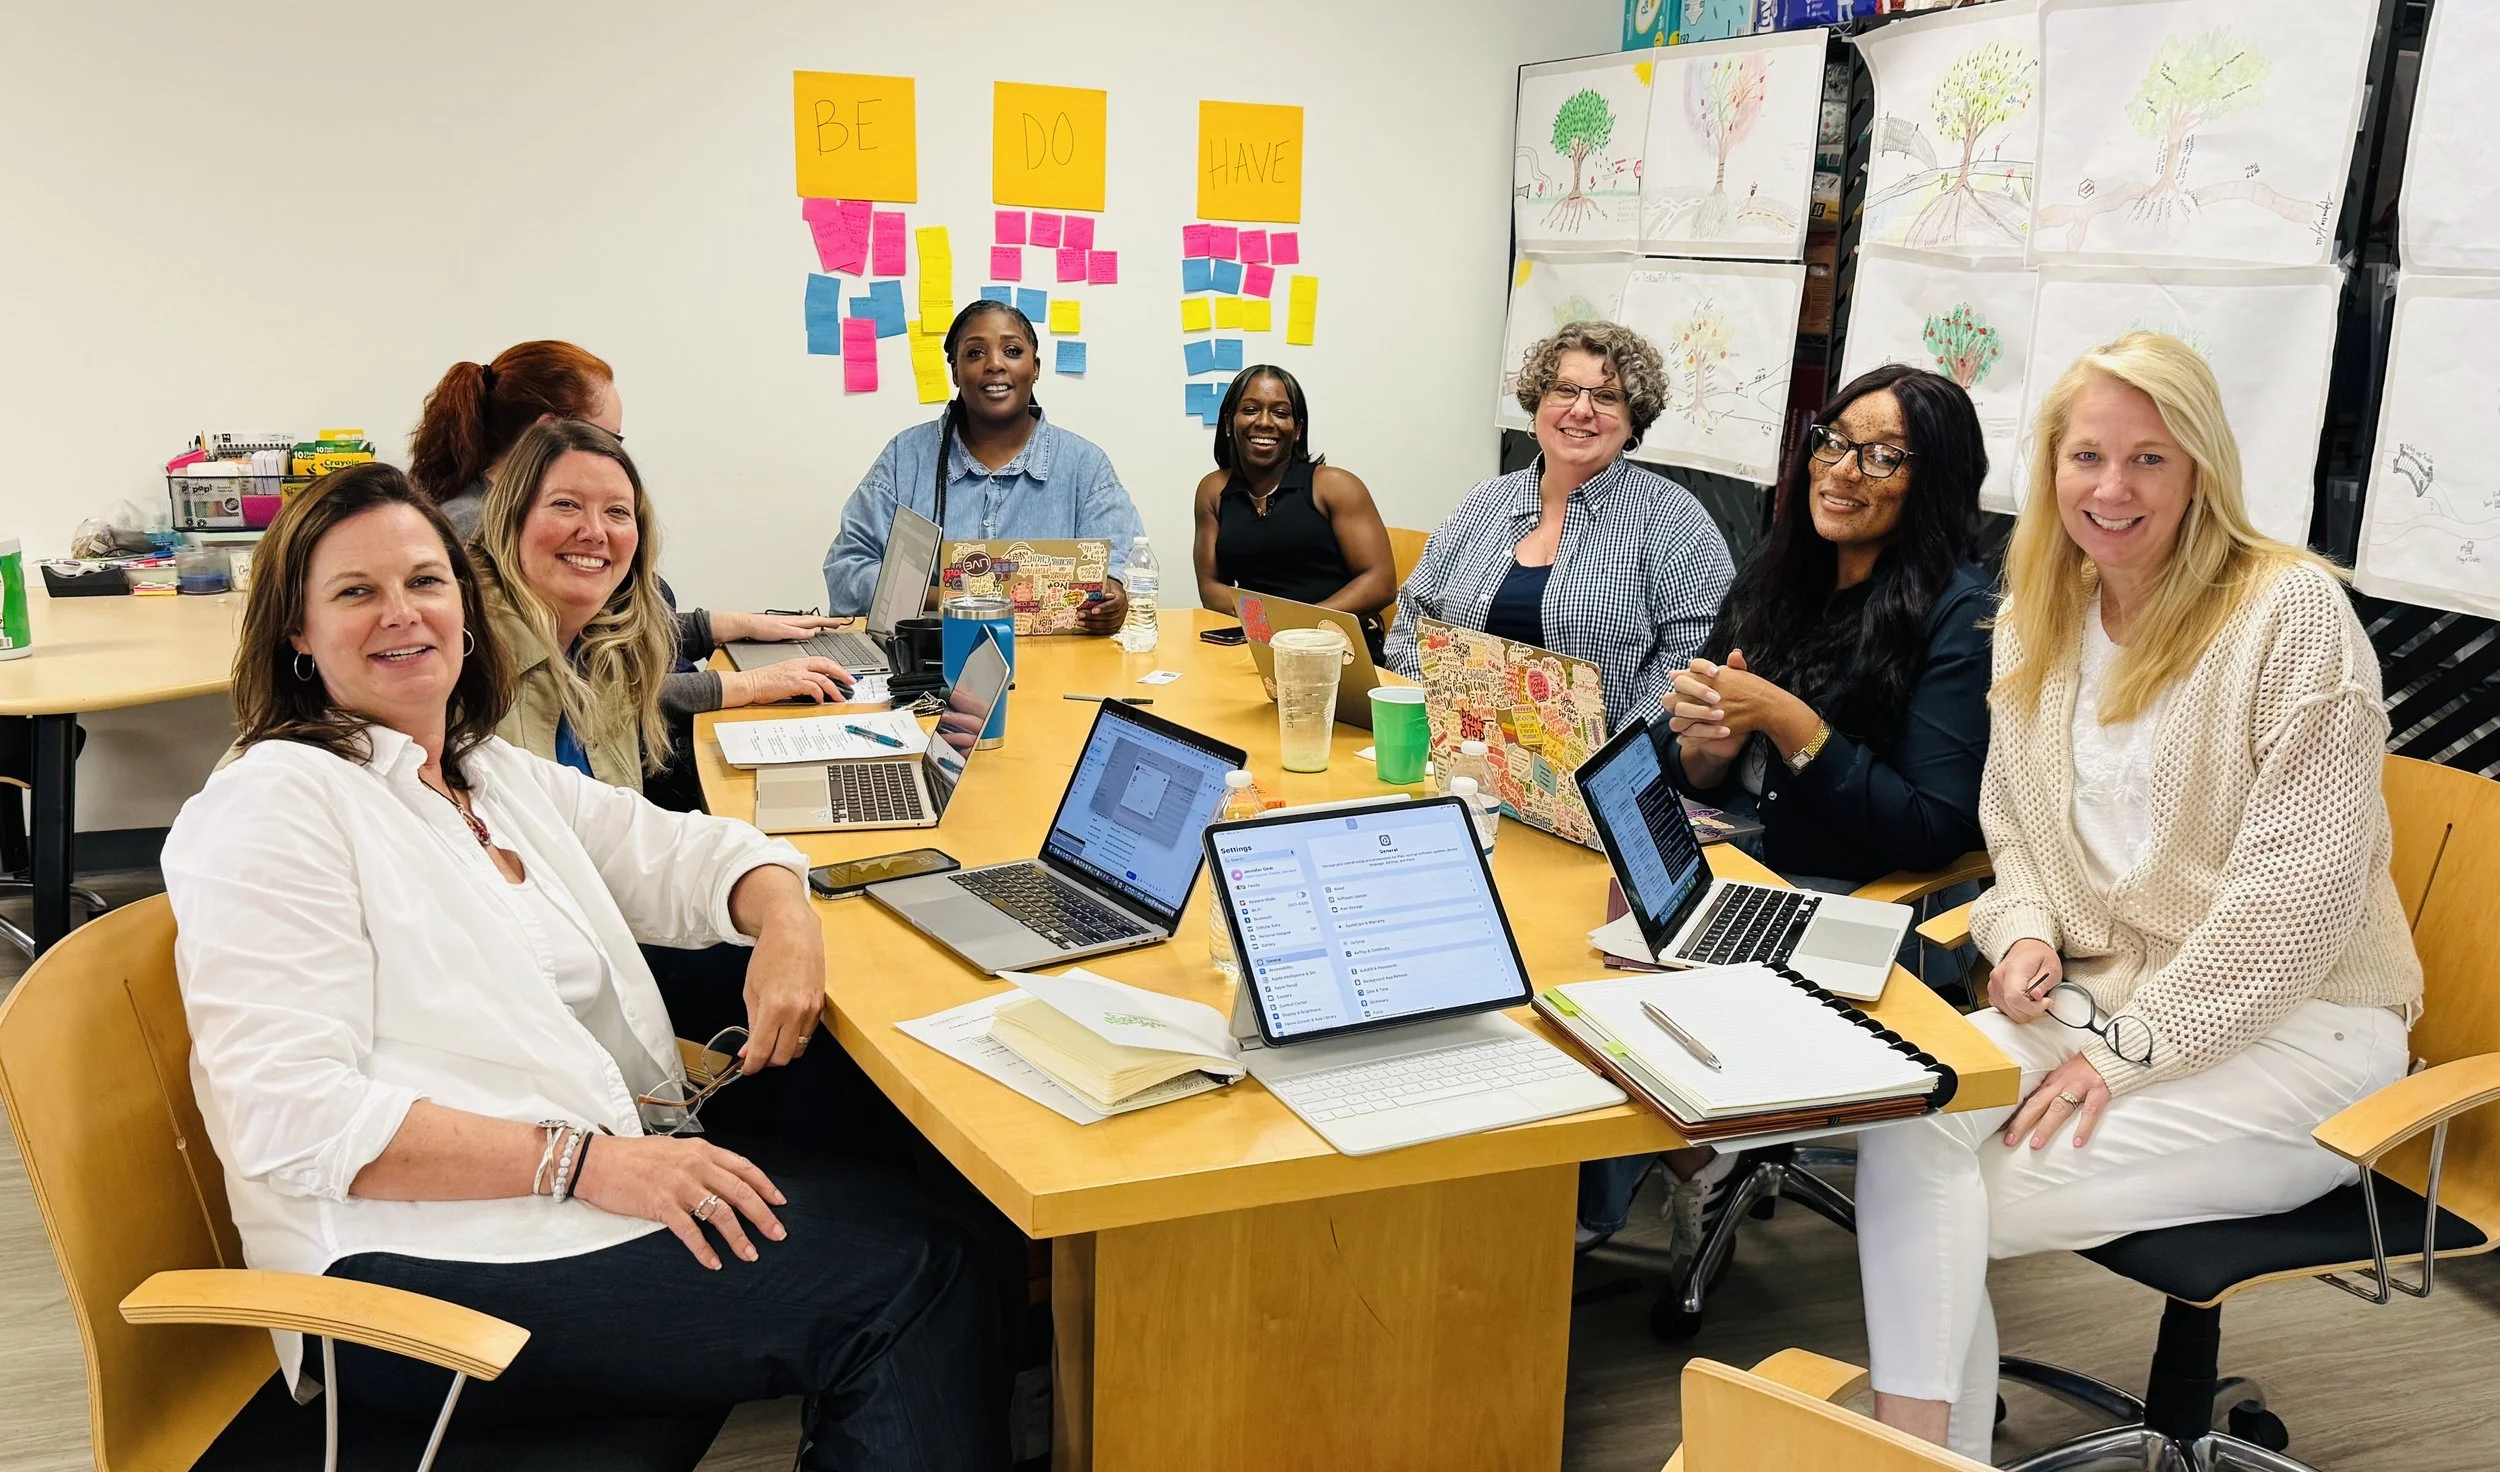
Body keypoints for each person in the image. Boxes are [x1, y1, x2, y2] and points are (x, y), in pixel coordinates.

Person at [161, 464, 1005, 1466]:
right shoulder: (278, 803)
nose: (403, 613)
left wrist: (786, 917)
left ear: (465, 604)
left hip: (557, 1200)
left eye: (426, 582)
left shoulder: (478, 770)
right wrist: (592, 1162)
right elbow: (289, 1115)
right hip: (414, 1265)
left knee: (941, 1214)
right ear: (296, 632)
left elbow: (686, 851)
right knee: (923, 1272)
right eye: (356, 591)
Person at [1853, 333, 2422, 1465]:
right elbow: (2014, 832)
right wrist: (2018, 933)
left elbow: (2289, 914)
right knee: (1901, 1118)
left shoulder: (2290, 617)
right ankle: (1923, 1452)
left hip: (2302, 1036)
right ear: (2051, 466)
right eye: (2086, 456)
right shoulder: (2037, 617)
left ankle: (1908, 1453)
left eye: (2149, 460)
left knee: (1970, 1202)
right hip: (2104, 1006)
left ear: (2201, 468)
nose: (2111, 491)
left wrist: (2119, 1055)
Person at [1576, 364, 1994, 1257]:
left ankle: (1598, 1209)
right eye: (1834, 444)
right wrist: (1707, 750)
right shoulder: (1780, 573)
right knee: (1580, 925)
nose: (1843, 472)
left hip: (1871, 897)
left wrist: (1792, 723)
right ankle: (1647, 1171)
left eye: (1884, 458)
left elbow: (1936, 828)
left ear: (1936, 483)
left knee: (1635, 963)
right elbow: (1702, 762)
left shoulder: (1964, 617)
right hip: (1746, 855)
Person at [467, 419, 853, 792]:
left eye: (617, 511)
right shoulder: (466, 657)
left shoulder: (602, 644)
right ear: (511, 517)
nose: (594, 532)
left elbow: (623, 826)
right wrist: (751, 683)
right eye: (566, 505)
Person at [1383, 320, 1732, 728]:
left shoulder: (1675, 521)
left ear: (1633, 420)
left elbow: (1694, 662)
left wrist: (1604, 758)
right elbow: (1412, 618)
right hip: (1457, 755)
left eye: (1605, 396)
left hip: (1596, 776)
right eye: (1564, 390)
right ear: (1537, 404)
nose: (1581, 410)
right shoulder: (1482, 503)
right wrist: (1436, 715)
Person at [823, 299, 1145, 632]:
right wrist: (944, 599)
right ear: (955, 372)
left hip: (1059, 662)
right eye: (975, 353)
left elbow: (1127, 570)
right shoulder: (905, 458)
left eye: (1012, 351)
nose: (994, 364)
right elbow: (848, 569)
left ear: (1035, 368)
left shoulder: (1084, 466)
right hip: (933, 661)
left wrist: (1115, 597)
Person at [1190, 364, 1395, 655]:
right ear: (1227, 423)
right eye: (1250, 410)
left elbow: (1381, 583)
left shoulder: (1335, 486)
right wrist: (1269, 626)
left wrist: (1301, 627)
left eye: (1280, 413)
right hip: (1256, 646)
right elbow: (1210, 587)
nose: (1264, 422)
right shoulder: (1213, 491)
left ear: (1297, 430)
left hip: (1336, 646)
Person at [408, 340, 620, 541]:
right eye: (607, 440)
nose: (615, 459)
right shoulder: (475, 527)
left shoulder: (513, 515)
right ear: (548, 432)